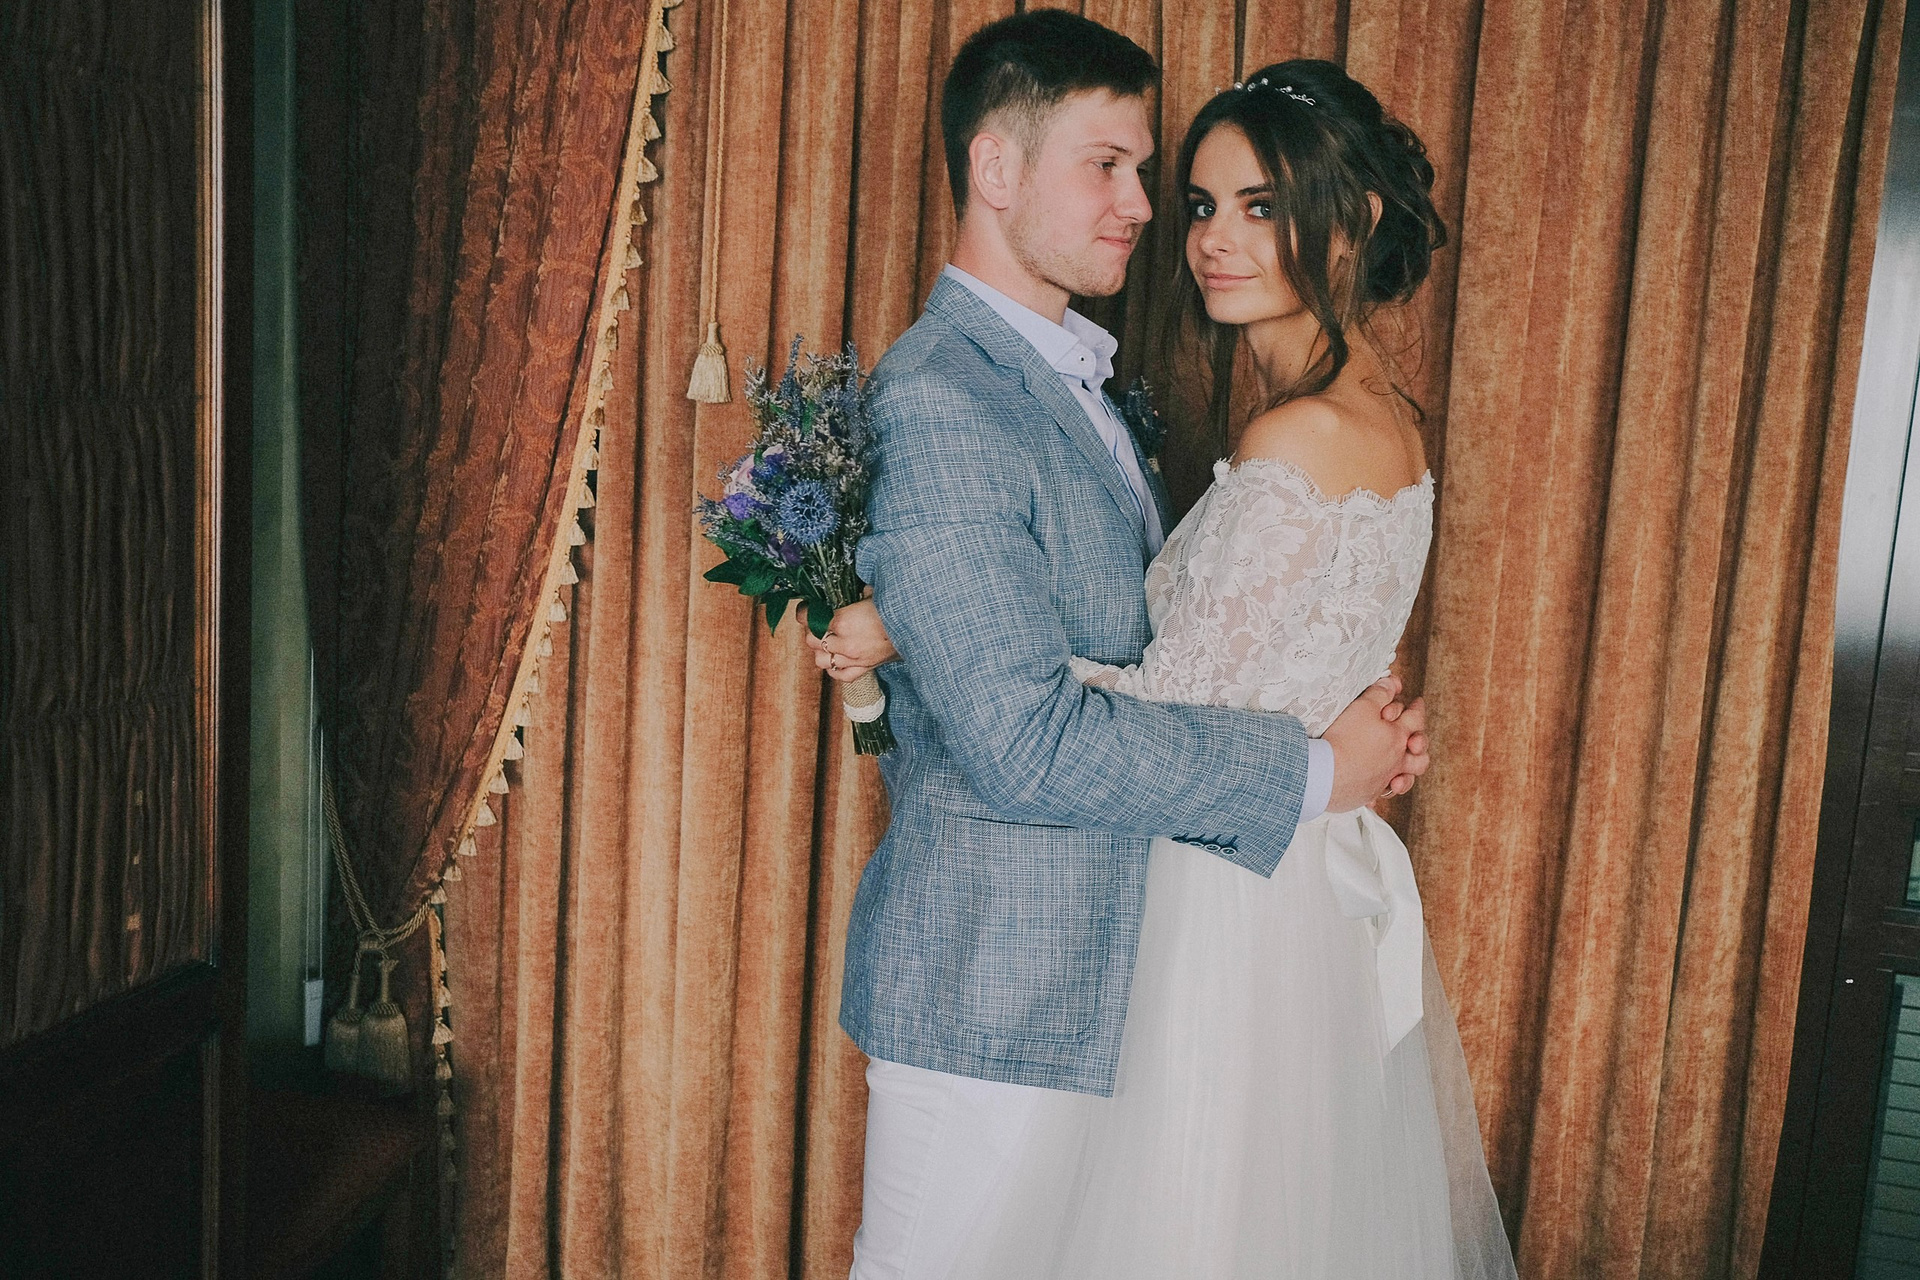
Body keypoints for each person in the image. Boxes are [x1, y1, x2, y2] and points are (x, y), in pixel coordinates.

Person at [816, 32, 1518, 1280]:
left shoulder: (1150, 398)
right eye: (1118, 169)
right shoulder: (946, 395)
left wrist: (914, 635)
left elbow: (1162, 659)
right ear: (994, 169)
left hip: (1164, 956)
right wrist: (1320, 764)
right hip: (1001, 980)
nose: (1156, 216)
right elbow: (1023, 736)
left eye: (1170, 182)